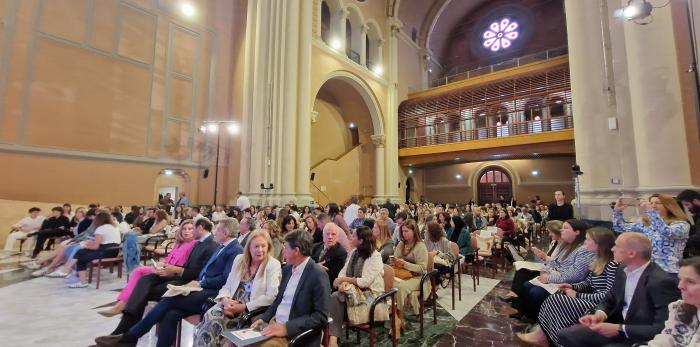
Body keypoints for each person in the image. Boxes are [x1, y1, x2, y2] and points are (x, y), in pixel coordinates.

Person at [95, 218, 244, 347]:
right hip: (200, 287)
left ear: (225, 233)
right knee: (170, 314)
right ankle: (129, 337)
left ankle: (129, 337)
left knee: (169, 299)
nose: (214, 233)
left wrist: (201, 283)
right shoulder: (224, 247)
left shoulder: (234, 250)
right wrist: (197, 281)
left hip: (213, 294)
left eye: (217, 230)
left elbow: (225, 279)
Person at [557, 233, 680, 347]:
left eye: (616, 246)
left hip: (640, 336)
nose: (612, 249)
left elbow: (662, 328)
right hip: (618, 325)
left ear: (631, 253)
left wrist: (619, 328)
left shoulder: (661, 282)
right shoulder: (622, 270)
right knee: (566, 334)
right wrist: (598, 316)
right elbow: (609, 299)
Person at [517, 227, 618, 346]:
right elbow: (588, 283)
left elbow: (609, 296)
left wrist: (578, 294)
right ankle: (544, 333)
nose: (585, 243)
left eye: (588, 240)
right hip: (593, 299)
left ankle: (551, 338)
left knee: (556, 299)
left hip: (600, 308)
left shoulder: (612, 265)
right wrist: (572, 286)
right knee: (558, 295)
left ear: (599, 244)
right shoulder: (598, 260)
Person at [193, 230, 282, 347]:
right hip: (229, 305)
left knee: (214, 323)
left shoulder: (273, 264)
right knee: (209, 316)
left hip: (248, 312)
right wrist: (225, 300)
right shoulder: (239, 259)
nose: (260, 250)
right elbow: (227, 285)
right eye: (256, 246)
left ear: (268, 247)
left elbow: (271, 296)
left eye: (263, 246)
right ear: (249, 247)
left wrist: (243, 307)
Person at [249, 229, 331, 347]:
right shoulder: (287, 269)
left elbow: (321, 316)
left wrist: (286, 328)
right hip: (274, 325)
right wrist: (264, 318)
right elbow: (278, 301)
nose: (283, 250)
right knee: (233, 343)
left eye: (286, 248)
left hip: (295, 333)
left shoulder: (317, 275)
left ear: (296, 250)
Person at [98, 220, 197, 316]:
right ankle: (124, 304)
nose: (186, 231)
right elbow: (169, 258)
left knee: (138, 271)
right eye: (184, 229)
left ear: (195, 230)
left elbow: (183, 264)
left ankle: (121, 304)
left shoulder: (193, 244)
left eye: (190, 229)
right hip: (164, 267)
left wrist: (167, 267)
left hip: (171, 272)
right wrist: (161, 263)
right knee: (139, 273)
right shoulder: (179, 243)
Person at [512, 219, 595, 322]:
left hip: (569, 284)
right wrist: (546, 268)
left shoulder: (583, 249)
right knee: (526, 285)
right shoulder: (567, 244)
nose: (562, 230)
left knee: (535, 292)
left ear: (577, 232)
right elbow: (558, 263)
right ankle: (523, 312)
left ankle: (533, 318)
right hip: (558, 276)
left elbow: (576, 276)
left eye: (565, 228)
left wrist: (549, 278)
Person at [328, 226, 387, 347]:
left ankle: (332, 340)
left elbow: (365, 282)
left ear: (361, 240)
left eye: (353, 236)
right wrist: (343, 282)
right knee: (335, 297)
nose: (351, 237)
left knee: (335, 297)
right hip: (354, 291)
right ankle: (332, 340)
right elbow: (344, 271)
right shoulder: (354, 252)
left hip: (371, 295)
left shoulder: (375, 257)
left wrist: (343, 280)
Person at [613, 194, 690, 274]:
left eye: (657, 203)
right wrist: (617, 211)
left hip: (669, 271)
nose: (653, 206)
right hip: (647, 271)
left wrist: (651, 212)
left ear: (669, 206)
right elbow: (619, 227)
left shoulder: (681, 224)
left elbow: (666, 232)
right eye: (651, 203)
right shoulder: (647, 224)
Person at [500, 220, 564, 303]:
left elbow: (558, 263)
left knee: (525, 275)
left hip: (553, 272)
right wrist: (541, 255)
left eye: (551, 232)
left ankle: (519, 301)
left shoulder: (564, 246)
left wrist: (544, 256)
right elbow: (548, 258)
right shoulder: (553, 242)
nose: (549, 234)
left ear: (558, 232)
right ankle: (514, 295)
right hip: (547, 267)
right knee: (521, 269)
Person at [644, 257, 700, 346]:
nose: (680, 286)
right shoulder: (679, 308)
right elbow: (663, 342)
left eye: (690, 282)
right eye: (680, 279)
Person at [67, 211, 121, 288]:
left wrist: (85, 245)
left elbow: (95, 246)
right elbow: (102, 243)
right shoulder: (114, 227)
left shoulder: (101, 228)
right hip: (114, 251)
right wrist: (86, 246)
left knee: (81, 259)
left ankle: (82, 282)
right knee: (81, 251)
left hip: (105, 252)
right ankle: (69, 270)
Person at [392, 219, 428, 330]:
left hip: (418, 277)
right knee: (387, 283)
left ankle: (399, 318)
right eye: (402, 231)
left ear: (414, 231)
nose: (404, 234)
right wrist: (394, 261)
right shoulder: (401, 244)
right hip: (402, 274)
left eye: (406, 231)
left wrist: (405, 264)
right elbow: (395, 258)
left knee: (400, 287)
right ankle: (393, 316)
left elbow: (422, 269)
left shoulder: (420, 246)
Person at [311, 222, 349, 289]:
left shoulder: (341, 253)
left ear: (337, 237)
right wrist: (314, 266)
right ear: (323, 235)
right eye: (327, 234)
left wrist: (314, 268)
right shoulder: (315, 247)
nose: (330, 237)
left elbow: (333, 276)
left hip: (324, 285)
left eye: (333, 234)